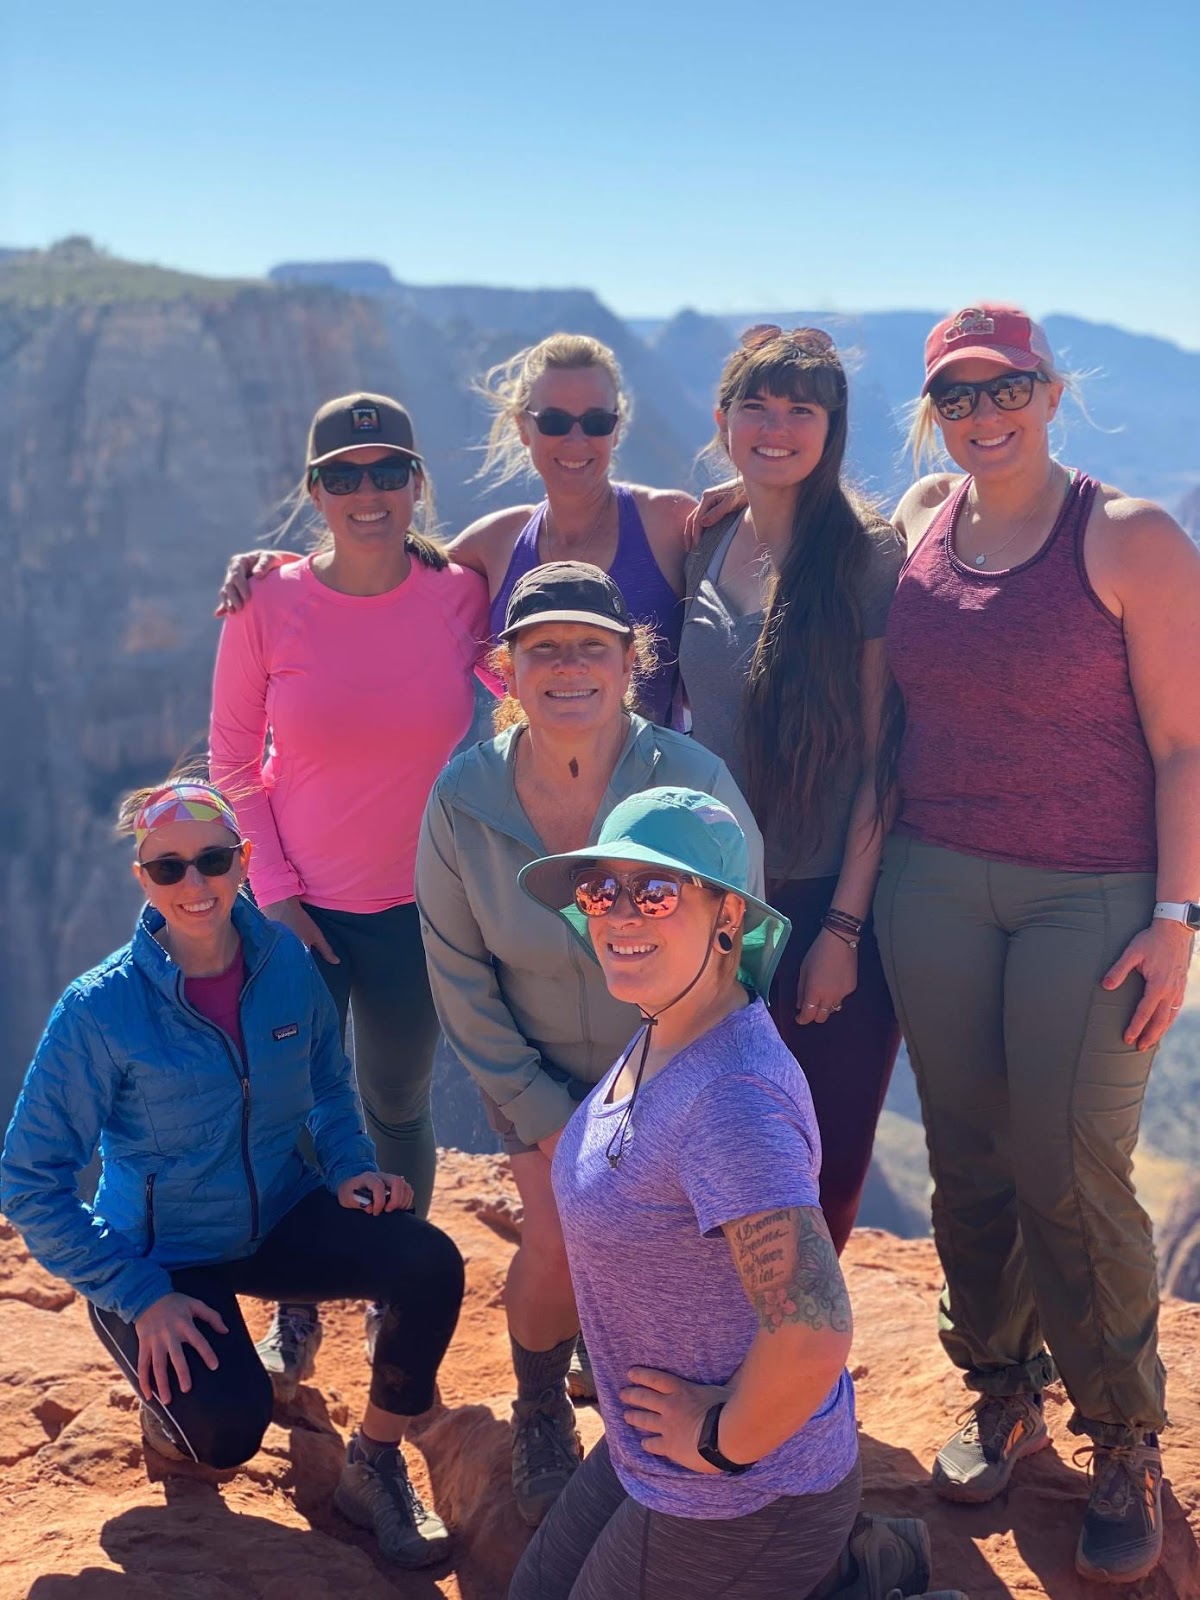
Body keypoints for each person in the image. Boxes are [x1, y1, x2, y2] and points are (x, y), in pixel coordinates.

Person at [875, 303, 1200, 1585]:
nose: (984, 413)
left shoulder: (1128, 536)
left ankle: (1122, 1433)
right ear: (935, 414)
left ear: (1052, 391)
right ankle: (998, 1386)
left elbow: (1185, 746)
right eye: (957, 396)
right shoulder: (919, 524)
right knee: (969, 1152)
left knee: (1070, 1158)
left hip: (1095, 891)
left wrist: (1179, 919)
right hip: (934, 879)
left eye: (1006, 387)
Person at [0, 780, 464, 1570]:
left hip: (278, 1216)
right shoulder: (98, 1011)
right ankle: (149, 1374)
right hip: (165, 1254)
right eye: (169, 868)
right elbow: (30, 1179)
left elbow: (325, 1079)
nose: (195, 884)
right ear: (143, 879)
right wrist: (139, 1293)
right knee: (226, 1436)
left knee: (428, 1262)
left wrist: (351, 1167)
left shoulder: (285, 962)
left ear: (244, 863)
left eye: (214, 860)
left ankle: (373, 1465)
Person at [509, 786, 943, 1600]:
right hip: (650, 1445)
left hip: (746, 1491)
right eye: (601, 890)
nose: (621, 915)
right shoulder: (662, 1030)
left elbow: (814, 1331)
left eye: (658, 891)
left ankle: (846, 1575)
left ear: (729, 918)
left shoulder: (732, 1099)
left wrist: (719, 1441)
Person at [414, 561, 766, 1528]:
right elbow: (458, 972)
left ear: (629, 662)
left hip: (680, 1066)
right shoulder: (463, 797)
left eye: (590, 646)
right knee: (563, 1232)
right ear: (506, 671)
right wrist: (538, 1112)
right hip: (530, 1068)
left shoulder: (691, 782)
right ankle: (539, 1406)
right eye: (543, 648)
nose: (567, 665)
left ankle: (697, 1414)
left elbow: (734, 945)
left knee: (679, 1245)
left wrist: (663, 1102)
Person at [208, 392, 488, 1398]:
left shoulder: (461, 593)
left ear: (417, 481)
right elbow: (234, 761)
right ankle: (300, 1290)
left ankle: (391, 1282)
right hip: (295, 915)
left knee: (395, 1100)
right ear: (314, 490)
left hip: (417, 910)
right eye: (343, 475)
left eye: (386, 471)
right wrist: (277, 896)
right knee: (286, 1107)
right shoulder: (268, 602)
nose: (366, 493)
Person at [679, 326, 903, 1252]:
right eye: (756, 406)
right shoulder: (705, 538)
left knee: (819, 1168)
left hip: (822, 904)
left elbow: (885, 757)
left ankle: (803, 1385)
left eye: (800, 409)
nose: (776, 427)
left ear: (832, 427)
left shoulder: (863, 559)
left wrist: (843, 932)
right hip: (713, 904)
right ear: (724, 418)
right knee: (718, 1152)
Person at [216, 334, 695, 726]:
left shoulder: (668, 522)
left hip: (653, 811)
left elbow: (758, 550)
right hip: (536, 813)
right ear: (522, 427)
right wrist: (282, 571)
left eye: (595, 420)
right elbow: (385, 573)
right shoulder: (492, 544)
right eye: (552, 421)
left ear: (618, 426)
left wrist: (740, 487)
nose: (575, 439)